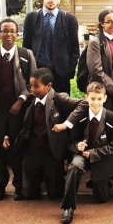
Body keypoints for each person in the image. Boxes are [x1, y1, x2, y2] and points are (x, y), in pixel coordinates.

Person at [0, 18, 37, 201]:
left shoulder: (27, 55)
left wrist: (21, 100)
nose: (9, 35)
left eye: (13, 31)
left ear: (18, 34)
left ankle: (19, 186)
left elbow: (33, 83)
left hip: (19, 111)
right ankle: (0, 185)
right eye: (5, 31)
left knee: (18, 149)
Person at [60, 82, 113, 224]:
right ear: (86, 97)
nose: (96, 103)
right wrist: (77, 146)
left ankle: (99, 180)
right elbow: (70, 142)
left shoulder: (112, 118)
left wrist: (94, 153)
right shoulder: (80, 117)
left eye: (99, 99)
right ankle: (68, 207)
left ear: (105, 99)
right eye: (92, 99)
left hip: (101, 156)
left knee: (102, 198)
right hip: (80, 155)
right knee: (75, 166)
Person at [20, 68, 86, 200]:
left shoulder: (58, 98)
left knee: (55, 195)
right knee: (29, 194)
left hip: (51, 152)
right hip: (33, 150)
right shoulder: (29, 100)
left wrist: (66, 124)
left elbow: (84, 103)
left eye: (36, 86)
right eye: (30, 86)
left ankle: (50, 179)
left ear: (48, 86)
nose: (32, 89)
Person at [87, 9, 113, 180]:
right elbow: (97, 71)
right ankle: (100, 172)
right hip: (104, 92)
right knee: (101, 131)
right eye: (109, 22)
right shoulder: (96, 43)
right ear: (102, 24)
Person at [23, 0, 79, 94]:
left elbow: (75, 49)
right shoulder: (32, 18)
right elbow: (26, 47)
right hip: (37, 71)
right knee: (38, 107)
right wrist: (29, 71)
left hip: (60, 74)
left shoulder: (69, 19)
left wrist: (68, 71)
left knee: (60, 108)